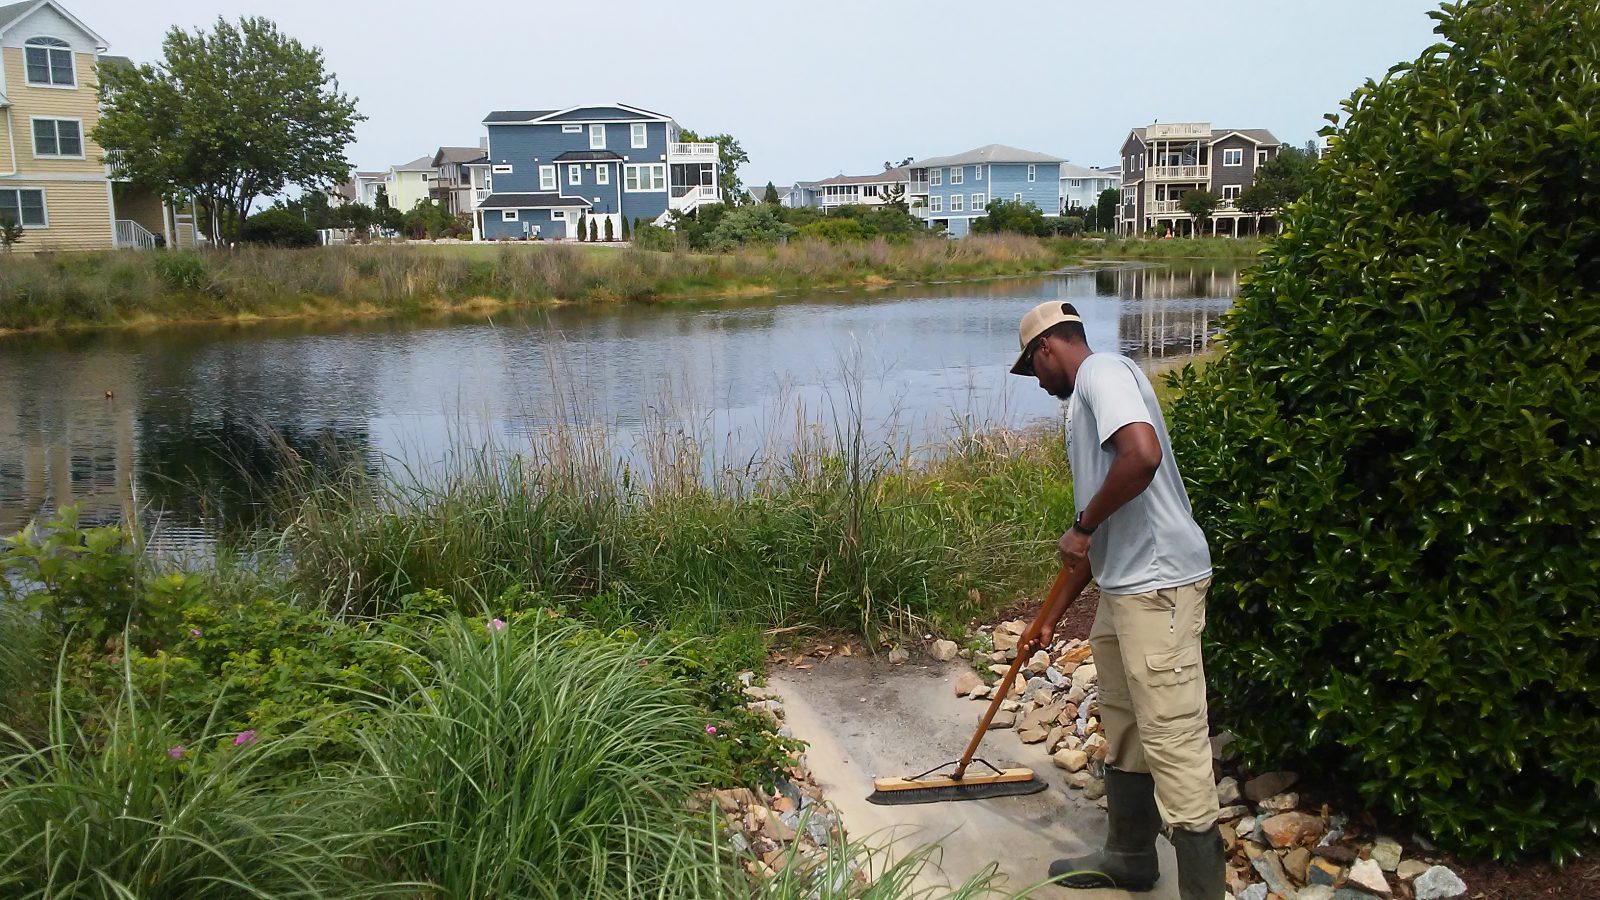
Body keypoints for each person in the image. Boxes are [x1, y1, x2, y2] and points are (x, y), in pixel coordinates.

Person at [1010, 300, 1223, 899]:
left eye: (1033, 369)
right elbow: (1091, 539)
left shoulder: (1104, 373)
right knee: (1126, 729)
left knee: (1175, 741)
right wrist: (1046, 620)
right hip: (1124, 590)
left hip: (1159, 588)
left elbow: (1143, 455)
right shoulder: (1082, 405)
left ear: (1047, 349)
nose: (1038, 383)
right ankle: (1130, 856)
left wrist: (1082, 524)